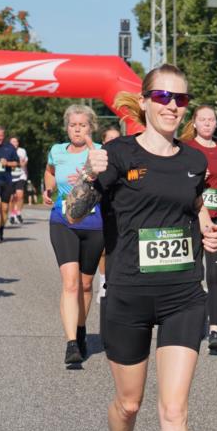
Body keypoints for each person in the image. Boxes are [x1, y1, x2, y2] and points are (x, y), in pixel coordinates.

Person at [80, 64, 217, 431]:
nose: (171, 105)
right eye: (162, 96)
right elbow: (78, 211)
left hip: (184, 293)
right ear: (143, 101)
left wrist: (209, 231)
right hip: (128, 294)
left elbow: (195, 209)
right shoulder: (118, 153)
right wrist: (88, 175)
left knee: (173, 410)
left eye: (180, 99)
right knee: (129, 405)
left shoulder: (193, 160)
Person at [43, 105, 105, 365]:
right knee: (70, 283)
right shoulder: (57, 150)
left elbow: (109, 181)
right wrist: (48, 188)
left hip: (94, 223)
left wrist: (87, 174)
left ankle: (81, 330)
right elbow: (50, 172)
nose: (77, 129)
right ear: (67, 127)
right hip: (63, 221)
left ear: (91, 127)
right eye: (73, 125)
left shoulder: (100, 151)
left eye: (82, 125)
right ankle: (71, 344)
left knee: (86, 284)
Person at [182, 105, 217, 353]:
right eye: (202, 120)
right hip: (193, 217)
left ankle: (214, 330)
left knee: (215, 274)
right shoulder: (186, 148)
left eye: (211, 120)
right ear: (194, 123)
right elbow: (175, 181)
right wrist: (193, 177)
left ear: (216, 124)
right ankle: (192, 326)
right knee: (194, 273)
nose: (207, 123)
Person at [96, 125, 122, 303]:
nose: (114, 142)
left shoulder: (128, 157)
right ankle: (104, 282)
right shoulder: (98, 159)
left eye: (117, 139)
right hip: (102, 207)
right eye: (110, 139)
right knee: (104, 250)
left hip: (122, 209)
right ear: (103, 142)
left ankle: (119, 284)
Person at [9, 136, 28, 225]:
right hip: (10, 177)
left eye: (15, 141)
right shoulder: (6, 151)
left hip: (21, 175)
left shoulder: (22, 151)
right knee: (12, 198)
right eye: (12, 142)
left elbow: (23, 163)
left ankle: (18, 213)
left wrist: (15, 163)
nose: (14, 143)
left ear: (18, 143)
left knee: (20, 195)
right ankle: (12, 214)